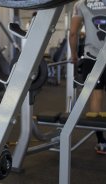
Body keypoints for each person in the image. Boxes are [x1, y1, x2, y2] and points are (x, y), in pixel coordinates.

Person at [69, 0, 106, 154]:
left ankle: (101, 142)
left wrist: (74, 54)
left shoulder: (80, 4)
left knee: (96, 96)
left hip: (92, 57)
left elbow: (73, 33)